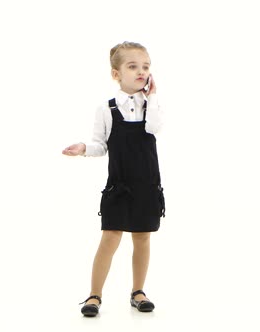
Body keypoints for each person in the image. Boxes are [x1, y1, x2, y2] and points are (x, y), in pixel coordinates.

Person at [62, 41, 166, 317]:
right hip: (119, 185)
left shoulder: (151, 106)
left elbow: (154, 128)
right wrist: (85, 149)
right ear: (116, 74)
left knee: (142, 237)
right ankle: (94, 295)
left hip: (146, 184)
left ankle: (138, 291)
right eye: (132, 66)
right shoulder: (107, 109)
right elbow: (100, 145)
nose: (141, 71)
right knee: (110, 237)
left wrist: (152, 97)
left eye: (145, 66)